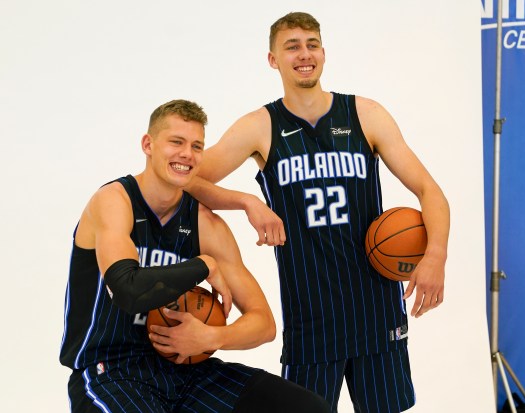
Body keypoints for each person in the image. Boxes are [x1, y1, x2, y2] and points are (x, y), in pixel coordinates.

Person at [186, 12, 450, 413]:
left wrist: (435, 256)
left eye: (311, 44)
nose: (303, 54)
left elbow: (430, 190)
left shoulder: (365, 114)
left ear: (324, 53)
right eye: (291, 46)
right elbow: (187, 180)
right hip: (311, 319)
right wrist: (248, 202)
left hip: (376, 314)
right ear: (273, 59)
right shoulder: (260, 126)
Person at [59, 99, 330, 413]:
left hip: (187, 372)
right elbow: (127, 289)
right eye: (176, 142)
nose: (186, 154)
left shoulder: (206, 225)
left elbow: (263, 323)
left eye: (197, 146)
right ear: (148, 144)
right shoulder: (114, 202)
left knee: (309, 409)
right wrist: (204, 265)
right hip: (111, 371)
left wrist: (209, 337)